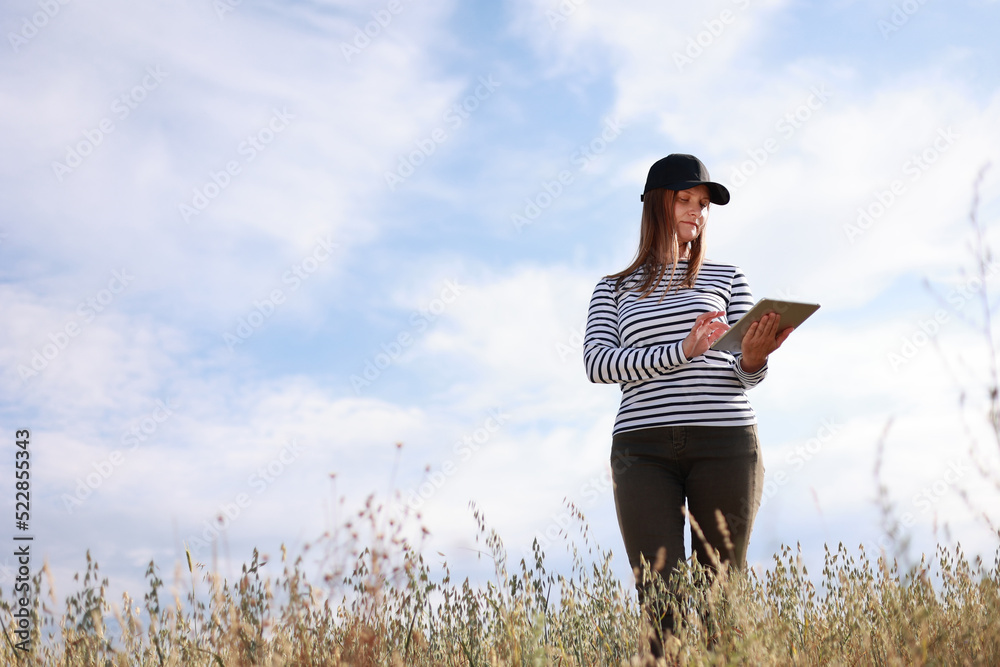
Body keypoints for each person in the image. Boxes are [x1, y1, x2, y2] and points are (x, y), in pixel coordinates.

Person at [582, 153, 793, 653]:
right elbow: (599, 364)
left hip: (726, 443)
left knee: (721, 598)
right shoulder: (612, 289)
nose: (698, 211)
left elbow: (746, 372)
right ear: (658, 204)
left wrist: (756, 357)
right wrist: (681, 351)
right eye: (686, 199)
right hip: (642, 450)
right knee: (661, 601)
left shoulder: (728, 277)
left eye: (704, 204)